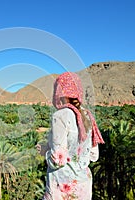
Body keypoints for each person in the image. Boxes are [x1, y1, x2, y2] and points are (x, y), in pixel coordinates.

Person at [41, 72, 104, 200]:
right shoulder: (88, 116)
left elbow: (58, 160)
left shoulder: (60, 116)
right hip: (84, 186)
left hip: (63, 187)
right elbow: (94, 156)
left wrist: (45, 151)